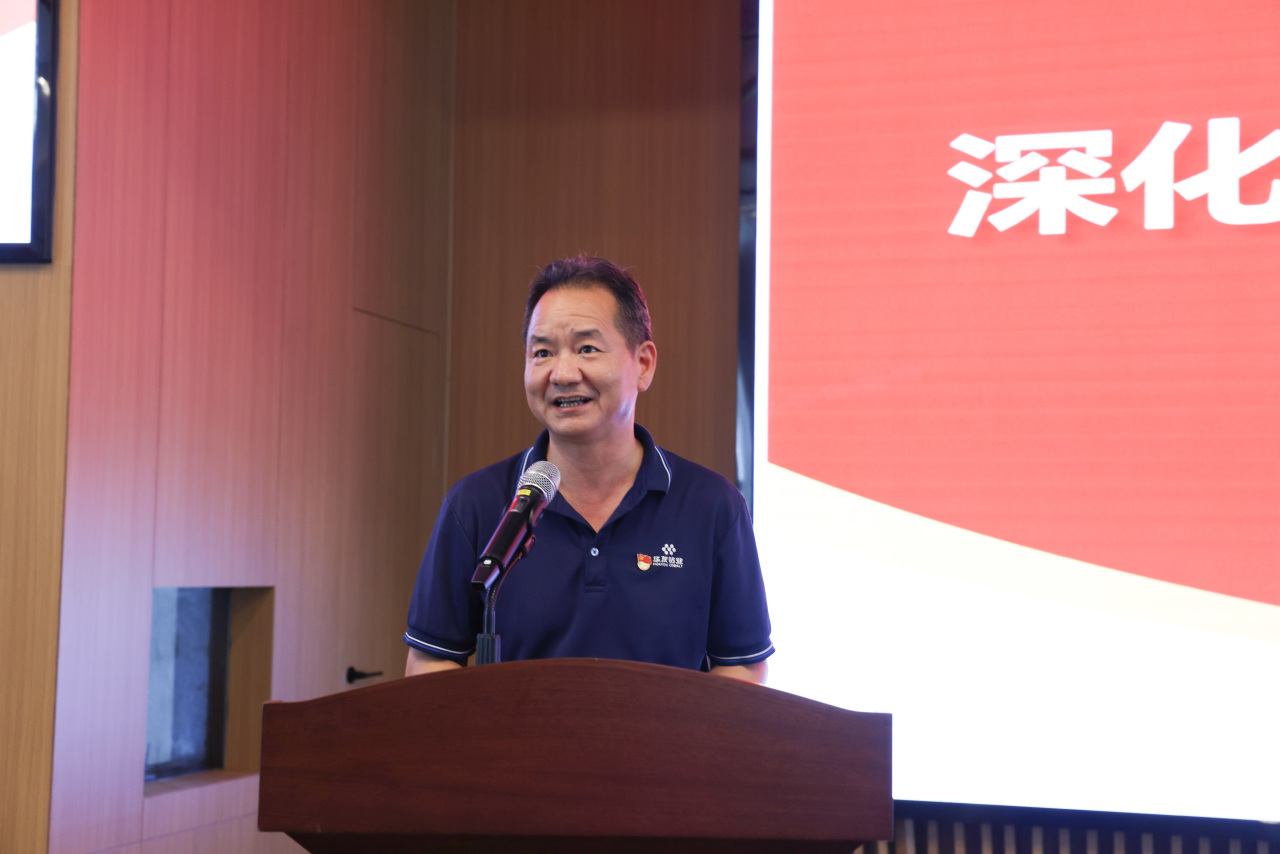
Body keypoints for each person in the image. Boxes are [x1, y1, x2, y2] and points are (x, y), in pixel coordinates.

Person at [404, 256, 772, 682]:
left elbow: (742, 665)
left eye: (587, 349)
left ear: (643, 364)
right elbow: (430, 661)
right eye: (542, 352)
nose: (562, 374)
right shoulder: (477, 504)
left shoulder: (712, 506)